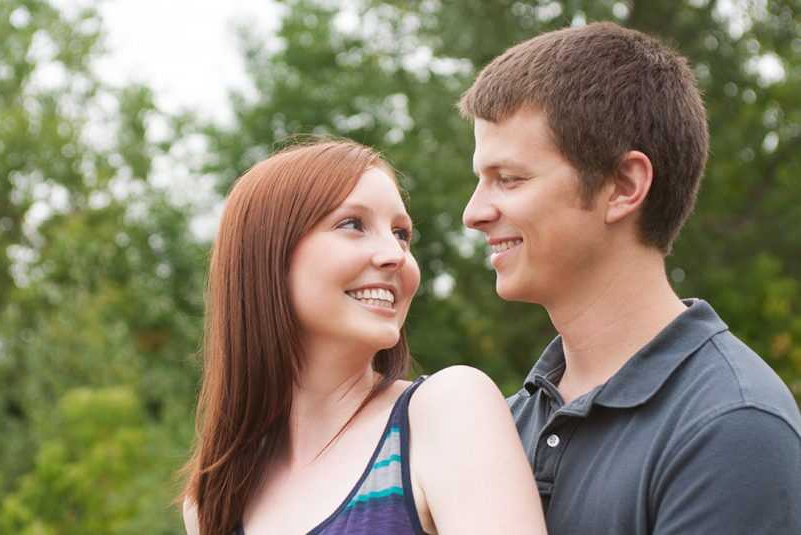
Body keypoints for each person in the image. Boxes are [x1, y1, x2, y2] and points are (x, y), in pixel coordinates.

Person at [458, 21, 801, 534]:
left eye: (508, 179)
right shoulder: (504, 424)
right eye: (480, 181)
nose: (474, 212)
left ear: (623, 186)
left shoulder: (732, 425)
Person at [180, 140, 547, 535]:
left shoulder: (446, 411)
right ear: (268, 256)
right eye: (353, 224)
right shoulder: (214, 499)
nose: (395, 255)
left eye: (401, 234)